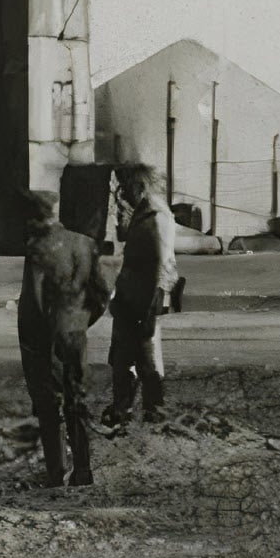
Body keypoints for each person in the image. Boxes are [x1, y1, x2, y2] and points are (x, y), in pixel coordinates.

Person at [15, 188, 109, 487]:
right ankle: (83, 470)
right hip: (75, 333)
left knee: (48, 405)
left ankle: (56, 473)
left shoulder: (38, 249)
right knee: (77, 400)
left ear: (34, 218)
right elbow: (102, 295)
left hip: (44, 339)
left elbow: (36, 302)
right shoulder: (84, 244)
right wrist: (80, 323)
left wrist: (33, 344)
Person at [103, 163, 177, 426]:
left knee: (143, 360)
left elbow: (161, 265)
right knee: (126, 358)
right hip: (133, 299)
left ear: (139, 186)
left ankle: (150, 411)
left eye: (125, 189)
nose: (122, 195)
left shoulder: (155, 217)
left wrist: (152, 306)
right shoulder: (146, 213)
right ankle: (129, 409)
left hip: (142, 300)